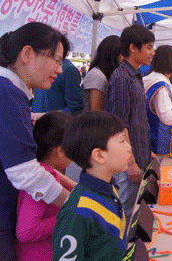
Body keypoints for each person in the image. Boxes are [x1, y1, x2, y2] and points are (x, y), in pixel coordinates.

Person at [0, 22, 72, 260]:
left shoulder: (12, 93)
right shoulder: (7, 94)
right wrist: (74, 204)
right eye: (57, 60)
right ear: (27, 54)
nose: (59, 70)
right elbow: (26, 172)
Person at [53, 111, 132, 261]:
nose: (129, 148)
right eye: (122, 141)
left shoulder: (108, 188)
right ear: (99, 155)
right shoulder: (77, 212)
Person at [105, 24, 155, 227]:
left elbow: (137, 119)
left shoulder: (135, 75)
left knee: (133, 209)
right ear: (133, 48)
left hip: (139, 155)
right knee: (124, 213)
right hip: (127, 164)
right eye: (149, 47)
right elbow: (119, 124)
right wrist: (130, 163)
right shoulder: (122, 78)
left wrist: (146, 151)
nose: (152, 53)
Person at [15, 111, 73, 261]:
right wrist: (68, 215)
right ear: (60, 151)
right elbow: (26, 231)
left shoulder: (45, 172)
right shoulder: (42, 180)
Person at [81, 35, 122, 111]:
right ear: (114, 55)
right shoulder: (97, 76)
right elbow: (96, 112)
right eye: (122, 54)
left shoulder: (103, 74)